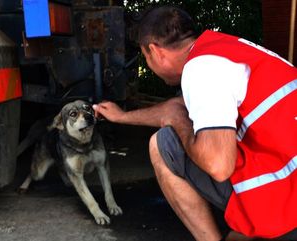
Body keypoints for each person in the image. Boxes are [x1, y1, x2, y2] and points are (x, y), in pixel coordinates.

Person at [92, 6, 297, 241]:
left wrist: (179, 123)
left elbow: (218, 165)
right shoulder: (224, 51)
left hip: (288, 201)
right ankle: (245, 227)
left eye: (145, 57)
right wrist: (122, 117)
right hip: (289, 170)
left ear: (154, 52)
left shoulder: (200, 70)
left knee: (162, 144)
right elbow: (178, 108)